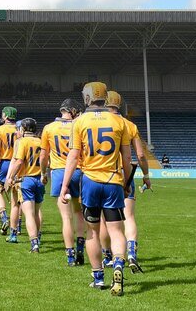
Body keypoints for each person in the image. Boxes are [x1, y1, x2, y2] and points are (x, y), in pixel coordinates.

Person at [60, 82, 132, 297]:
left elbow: (73, 156)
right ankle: (118, 264)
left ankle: (98, 277)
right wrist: (126, 183)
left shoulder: (79, 122)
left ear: (88, 98)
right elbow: (127, 158)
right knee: (116, 231)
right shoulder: (119, 122)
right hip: (113, 180)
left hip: (90, 181)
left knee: (92, 231)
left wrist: (65, 185)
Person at [99, 91, 149, 273]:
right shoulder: (130, 125)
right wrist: (146, 176)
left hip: (106, 174)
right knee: (129, 217)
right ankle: (131, 253)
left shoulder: (97, 123)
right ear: (119, 104)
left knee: (106, 220)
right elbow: (141, 155)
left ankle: (108, 256)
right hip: (126, 174)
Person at [40, 98, 86, 266]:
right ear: (73, 110)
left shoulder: (49, 128)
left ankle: (69, 255)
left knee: (66, 218)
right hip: (79, 171)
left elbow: (43, 155)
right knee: (79, 213)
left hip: (59, 172)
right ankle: (81, 248)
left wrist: (43, 172)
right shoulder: (79, 125)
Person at [4, 118, 45, 252]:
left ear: (23, 129)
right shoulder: (41, 141)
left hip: (26, 180)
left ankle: (34, 243)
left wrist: (10, 177)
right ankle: (38, 237)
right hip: (39, 179)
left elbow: (19, 161)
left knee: (28, 213)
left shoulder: (22, 142)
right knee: (37, 211)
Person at [0, 106, 19, 236]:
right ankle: (17, 226)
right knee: (17, 195)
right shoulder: (19, 128)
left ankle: (4, 217)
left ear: (6, 116)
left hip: (5, 162)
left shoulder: (0, 129)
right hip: (18, 163)